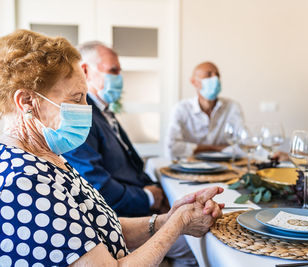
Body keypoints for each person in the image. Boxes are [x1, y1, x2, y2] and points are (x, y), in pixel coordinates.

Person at [0, 29, 223, 266]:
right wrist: (178, 224)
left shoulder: (47, 157)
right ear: (26, 102)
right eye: (76, 99)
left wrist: (167, 218)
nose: (87, 108)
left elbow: (102, 230)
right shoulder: (24, 181)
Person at [63, 41, 164, 217]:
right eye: (113, 71)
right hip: (120, 219)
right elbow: (95, 185)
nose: (119, 78)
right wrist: (147, 198)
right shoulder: (79, 117)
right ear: (85, 71)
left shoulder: (103, 112)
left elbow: (132, 166)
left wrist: (156, 191)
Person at [165, 62, 244, 159]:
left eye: (217, 75)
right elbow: (171, 148)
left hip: (225, 167)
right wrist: (216, 148)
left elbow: (243, 144)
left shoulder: (232, 107)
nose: (215, 79)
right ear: (194, 82)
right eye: (209, 74)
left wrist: (194, 148)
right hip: (188, 167)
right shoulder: (181, 109)